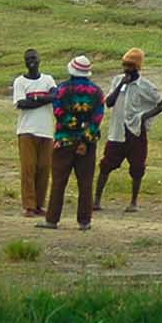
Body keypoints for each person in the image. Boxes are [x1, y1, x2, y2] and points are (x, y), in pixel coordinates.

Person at [96, 48, 162, 214]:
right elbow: (109, 103)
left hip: (135, 131)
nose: (126, 69)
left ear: (138, 67)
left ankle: (133, 202)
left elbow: (161, 104)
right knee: (106, 165)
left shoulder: (146, 86)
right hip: (117, 131)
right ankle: (96, 200)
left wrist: (144, 117)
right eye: (125, 65)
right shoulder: (117, 81)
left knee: (137, 167)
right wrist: (121, 84)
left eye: (130, 66)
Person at [40, 55, 104, 231]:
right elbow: (97, 118)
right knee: (85, 183)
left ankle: (52, 219)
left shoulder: (62, 90)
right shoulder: (97, 92)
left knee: (59, 182)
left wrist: (74, 131)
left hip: (64, 141)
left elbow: (59, 112)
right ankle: (84, 221)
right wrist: (84, 138)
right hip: (88, 144)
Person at [12, 48, 58, 217]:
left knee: (44, 168)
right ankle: (29, 205)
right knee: (28, 168)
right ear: (25, 62)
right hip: (27, 130)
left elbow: (55, 96)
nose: (31, 61)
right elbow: (21, 103)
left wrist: (36, 99)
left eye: (34, 58)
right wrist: (44, 99)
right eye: (28, 58)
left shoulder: (48, 79)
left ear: (39, 60)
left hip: (46, 130)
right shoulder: (20, 81)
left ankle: (39, 204)